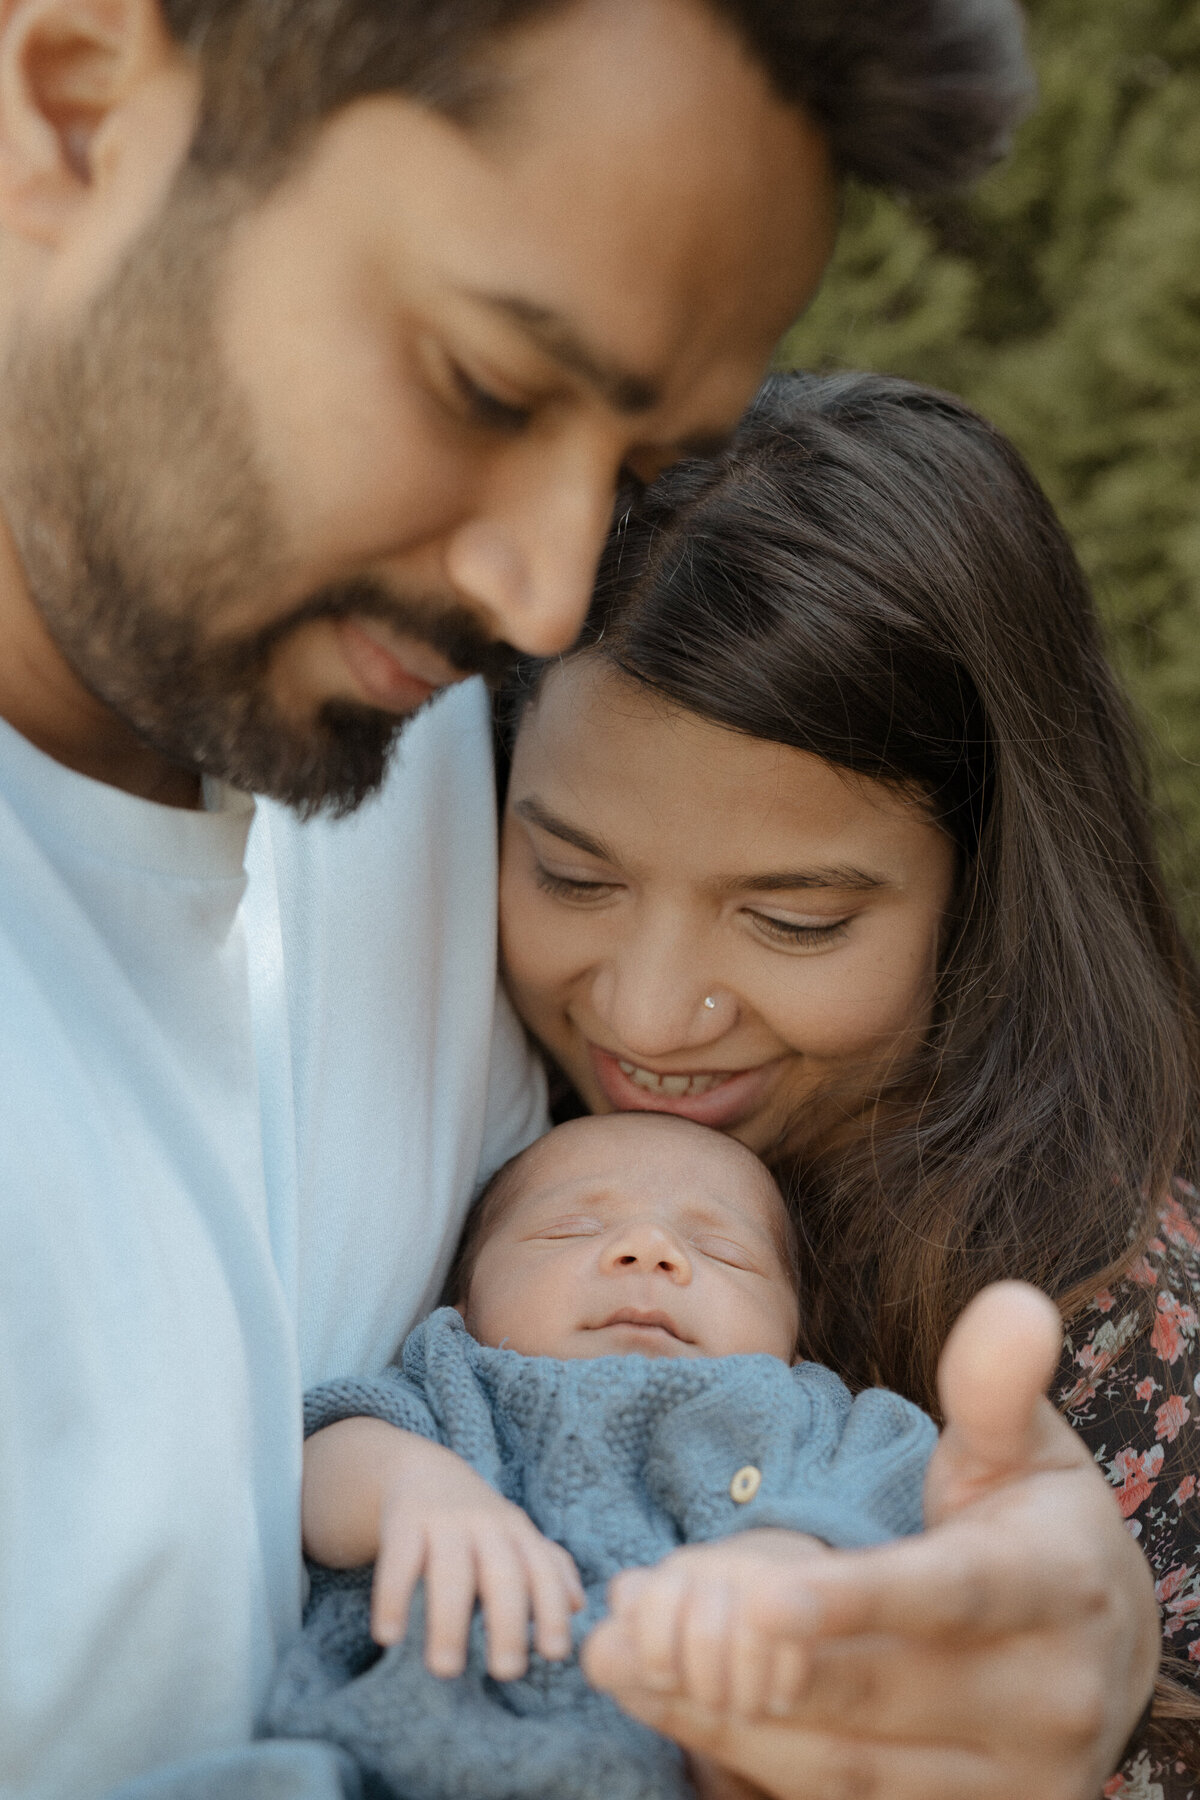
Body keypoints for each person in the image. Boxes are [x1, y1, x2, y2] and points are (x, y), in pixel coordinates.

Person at [0, 0, 1043, 1794]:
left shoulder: (422, 754)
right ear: (76, 108)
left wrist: (1058, 1619)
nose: (550, 600)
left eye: (640, 472)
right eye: (484, 382)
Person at [496, 371, 1200, 1795]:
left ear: (986, 889)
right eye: (572, 875)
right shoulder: (495, 1105)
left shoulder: (1113, 1322)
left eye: (794, 918)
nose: (645, 1010)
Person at [260, 1112, 937, 1800]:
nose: (649, 1249)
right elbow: (321, 1460)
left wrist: (794, 1548)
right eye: (572, 1228)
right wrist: (413, 1485)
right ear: (465, 1303)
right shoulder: (457, 1377)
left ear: (795, 1343)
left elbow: (903, 1478)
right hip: (422, 1755)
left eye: (723, 1250)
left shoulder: (813, 1412)